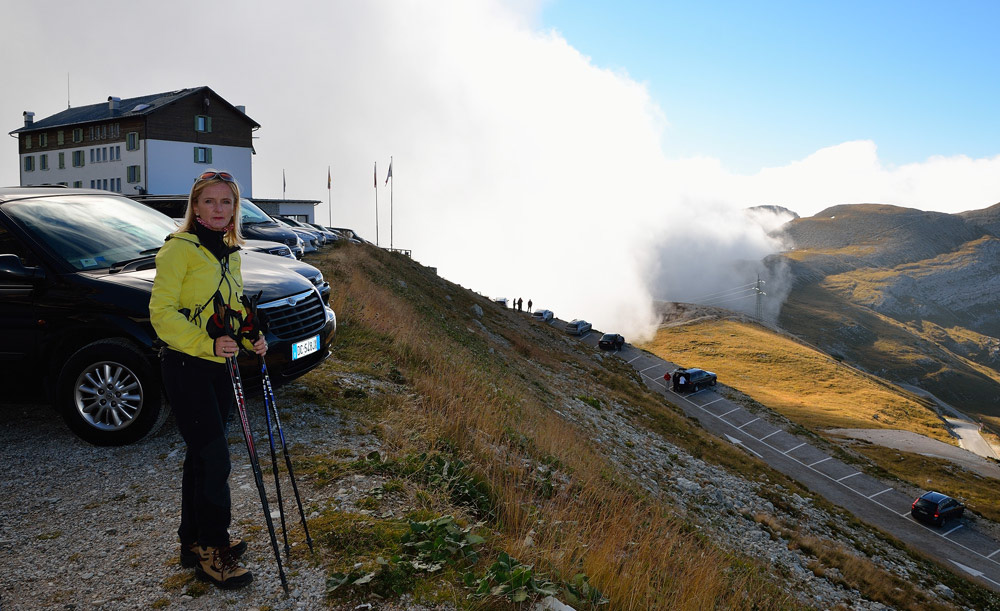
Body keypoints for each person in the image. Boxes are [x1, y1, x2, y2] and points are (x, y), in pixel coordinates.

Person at [150, 170, 267, 590]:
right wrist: (207, 345)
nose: (219, 210)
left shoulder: (230, 252)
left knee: (201, 456)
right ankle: (212, 552)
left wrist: (251, 333)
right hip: (186, 365)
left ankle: (192, 542)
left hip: (219, 367)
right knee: (215, 458)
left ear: (235, 210)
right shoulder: (178, 250)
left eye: (227, 203)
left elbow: (232, 302)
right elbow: (161, 314)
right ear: (195, 207)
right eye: (210, 202)